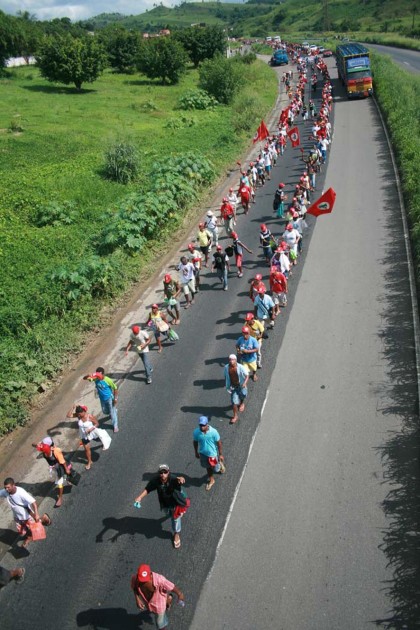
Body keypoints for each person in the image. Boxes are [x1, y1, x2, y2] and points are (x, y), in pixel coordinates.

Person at [134, 464, 188, 549]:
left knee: (175, 518)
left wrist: (181, 479)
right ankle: (175, 514)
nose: (163, 474)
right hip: (165, 503)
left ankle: (176, 534)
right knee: (169, 514)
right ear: (158, 473)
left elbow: (178, 479)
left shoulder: (172, 478)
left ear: (168, 472)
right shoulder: (155, 481)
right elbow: (148, 489)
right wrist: (139, 497)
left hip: (175, 501)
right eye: (161, 472)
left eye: (165, 472)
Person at [0, 478, 52, 548]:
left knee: (33, 529)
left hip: (27, 516)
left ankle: (30, 536)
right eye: (5, 487)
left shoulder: (21, 493)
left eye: (8, 487)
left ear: (13, 485)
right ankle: (42, 520)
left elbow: (34, 502)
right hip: (17, 516)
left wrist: (36, 514)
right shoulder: (5, 492)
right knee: (22, 532)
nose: (6, 489)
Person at [131, 563, 185, 629]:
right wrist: (137, 599)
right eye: (141, 579)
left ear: (150, 575)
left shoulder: (160, 580)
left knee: (160, 624)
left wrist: (180, 594)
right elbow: (134, 588)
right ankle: (169, 599)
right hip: (149, 604)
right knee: (164, 605)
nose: (143, 582)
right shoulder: (135, 579)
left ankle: (168, 600)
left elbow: (172, 586)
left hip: (159, 605)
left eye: (145, 580)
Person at [67, 404, 110, 469]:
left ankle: (104, 443)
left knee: (100, 439)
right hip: (84, 435)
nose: (78, 416)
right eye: (78, 414)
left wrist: (90, 429)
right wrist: (72, 408)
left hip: (92, 433)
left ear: (83, 411)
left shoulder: (89, 416)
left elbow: (97, 424)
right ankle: (89, 462)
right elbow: (68, 415)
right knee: (87, 449)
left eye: (79, 414)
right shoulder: (79, 416)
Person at [32, 436, 71, 507]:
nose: (42, 447)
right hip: (55, 468)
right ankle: (67, 478)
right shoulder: (44, 448)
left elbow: (62, 461)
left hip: (60, 467)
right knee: (64, 476)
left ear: (49, 446)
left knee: (60, 482)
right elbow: (34, 444)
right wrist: (36, 445)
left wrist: (67, 469)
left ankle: (60, 497)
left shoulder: (56, 451)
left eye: (43, 445)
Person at [193, 416, 225, 491]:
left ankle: (219, 464)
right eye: (200, 425)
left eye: (203, 425)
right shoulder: (196, 432)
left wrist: (220, 454)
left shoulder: (214, 432)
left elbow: (219, 443)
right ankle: (211, 480)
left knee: (215, 469)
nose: (202, 427)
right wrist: (196, 452)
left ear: (207, 424)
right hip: (203, 454)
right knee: (207, 467)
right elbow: (195, 442)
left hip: (212, 455)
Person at [83, 367, 119, 433]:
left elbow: (115, 388)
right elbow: (84, 378)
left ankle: (115, 425)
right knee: (105, 411)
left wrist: (116, 398)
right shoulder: (95, 379)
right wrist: (88, 375)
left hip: (110, 399)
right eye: (97, 375)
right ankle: (113, 411)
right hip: (102, 399)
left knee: (112, 412)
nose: (98, 377)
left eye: (99, 375)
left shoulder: (108, 380)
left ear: (102, 374)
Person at [224, 354, 249, 424]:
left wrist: (244, 383)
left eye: (233, 359)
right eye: (230, 359)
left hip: (241, 385)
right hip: (233, 387)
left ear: (235, 360)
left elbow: (247, 376)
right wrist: (227, 384)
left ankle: (241, 403)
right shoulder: (226, 367)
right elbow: (225, 376)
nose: (231, 361)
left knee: (243, 395)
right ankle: (235, 416)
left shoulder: (241, 367)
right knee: (234, 402)